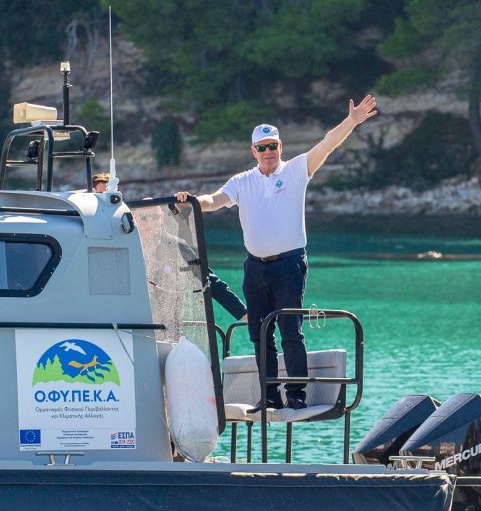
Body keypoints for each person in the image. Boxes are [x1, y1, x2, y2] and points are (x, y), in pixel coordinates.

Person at [175, 95, 378, 412]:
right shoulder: (242, 181)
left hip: (289, 265)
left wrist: (351, 121)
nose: (268, 152)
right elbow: (214, 200)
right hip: (255, 268)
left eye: (273, 146)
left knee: (290, 332)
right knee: (259, 334)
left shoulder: (296, 170)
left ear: (280, 147)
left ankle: (296, 394)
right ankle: (269, 394)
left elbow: (327, 144)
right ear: (253, 151)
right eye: (262, 147)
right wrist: (191, 201)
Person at [94, 173, 248, 321]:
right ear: (136, 220)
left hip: (169, 326)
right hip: (130, 322)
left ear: (161, 219)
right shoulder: (124, 246)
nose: (149, 223)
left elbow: (208, 280)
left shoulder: (176, 247)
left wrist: (243, 313)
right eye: (144, 218)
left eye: (154, 217)